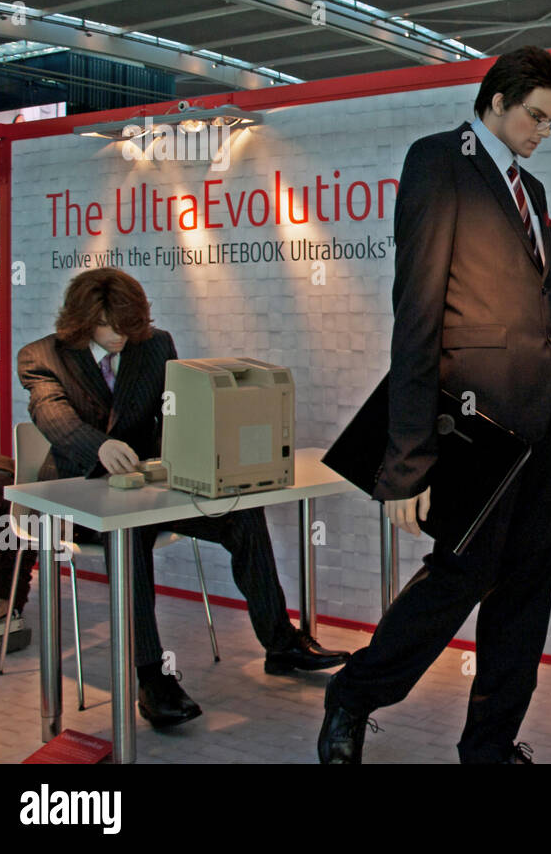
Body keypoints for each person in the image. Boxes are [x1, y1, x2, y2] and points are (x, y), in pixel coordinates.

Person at [319, 45, 551, 764]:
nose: (540, 133)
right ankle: (355, 692)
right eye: (535, 116)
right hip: (478, 421)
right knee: (459, 575)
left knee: (527, 590)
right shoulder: (438, 162)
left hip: (549, 422)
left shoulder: (536, 193)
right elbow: (417, 316)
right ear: (495, 98)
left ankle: (489, 745)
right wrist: (406, 464)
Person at [17, 268, 348, 729]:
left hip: (149, 489)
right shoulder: (42, 357)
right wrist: (100, 447)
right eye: (112, 328)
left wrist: (209, 453)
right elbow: (52, 417)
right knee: (127, 536)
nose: (121, 339)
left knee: (242, 513)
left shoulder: (155, 345)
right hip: (79, 497)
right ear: (84, 320)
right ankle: (153, 679)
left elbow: (176, 412)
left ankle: (281, 643)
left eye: (131, 328)